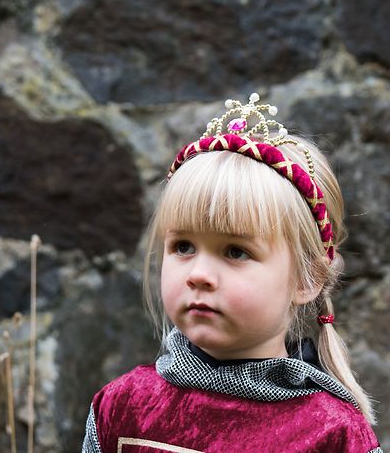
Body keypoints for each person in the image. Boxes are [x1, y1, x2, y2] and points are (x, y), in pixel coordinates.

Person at [82, 93, 383, 452]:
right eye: (183, 247)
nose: (199, 274)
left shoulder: (330, 433)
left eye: (236, 251)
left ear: (307, 279)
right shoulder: (123, 407)